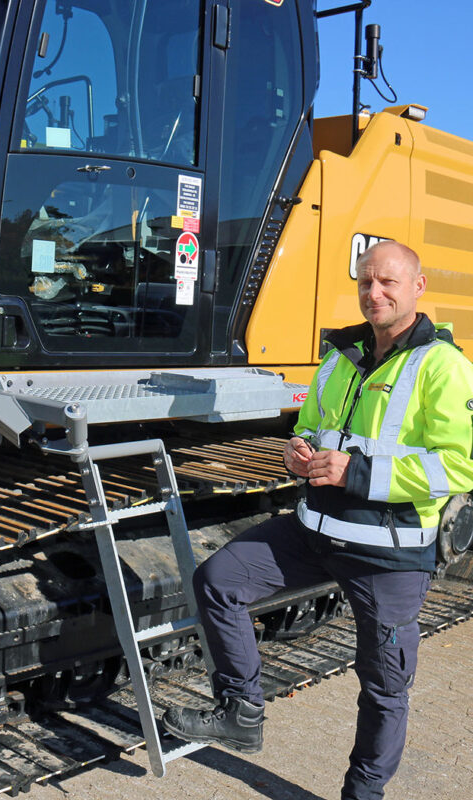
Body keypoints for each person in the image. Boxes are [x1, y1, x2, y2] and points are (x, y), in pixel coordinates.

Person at [162, 240, 473, 800]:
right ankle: (241, 712)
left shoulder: (444, 367)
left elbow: (457, 465)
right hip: (315, 530)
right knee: (218, 581)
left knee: (383, 686)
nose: (372, 293)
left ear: (418, 288)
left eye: (388, 283)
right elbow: (310, 425)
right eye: (365, 282)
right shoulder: (341, 355)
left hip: (389, 552)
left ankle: (363, 793)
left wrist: (355, 472)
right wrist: (297, 451)